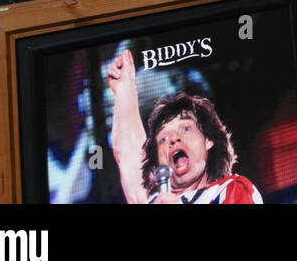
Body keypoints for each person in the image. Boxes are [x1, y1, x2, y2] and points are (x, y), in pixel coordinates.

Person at [106, 50, 261, 204]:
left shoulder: (232, 189)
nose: (173, 139)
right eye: (163, 139)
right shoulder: (156, 200)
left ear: (208, 140)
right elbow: (128, 155)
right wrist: (124, 90)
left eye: (185, 129)